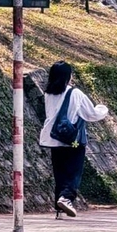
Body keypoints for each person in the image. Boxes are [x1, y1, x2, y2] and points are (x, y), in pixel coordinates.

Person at [40, 60, 109, 218]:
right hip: (72, 140)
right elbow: (90, 114)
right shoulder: (75, 93)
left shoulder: (48, 94)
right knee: (74, 172)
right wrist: (103, 109)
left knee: (60, 173)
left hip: (54, 139)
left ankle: (59, 210)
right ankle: (66, 198)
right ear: (68, 76)